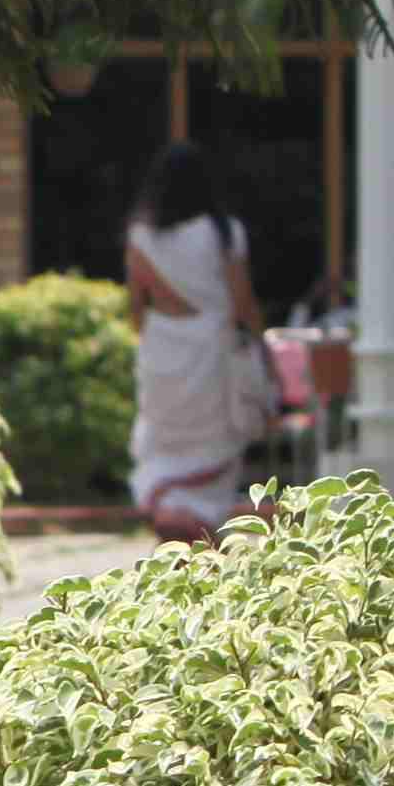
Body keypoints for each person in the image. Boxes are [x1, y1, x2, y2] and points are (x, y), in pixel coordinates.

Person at [120, 140, 263, 544]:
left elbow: (137, 305)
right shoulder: (224, 233)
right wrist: (260, 345)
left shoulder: (142, 235)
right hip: (213, 350)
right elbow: (242, 303)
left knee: (164, 437)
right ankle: (203, 528)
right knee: (214, 438)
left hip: (161, 345)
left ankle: (169, 515)